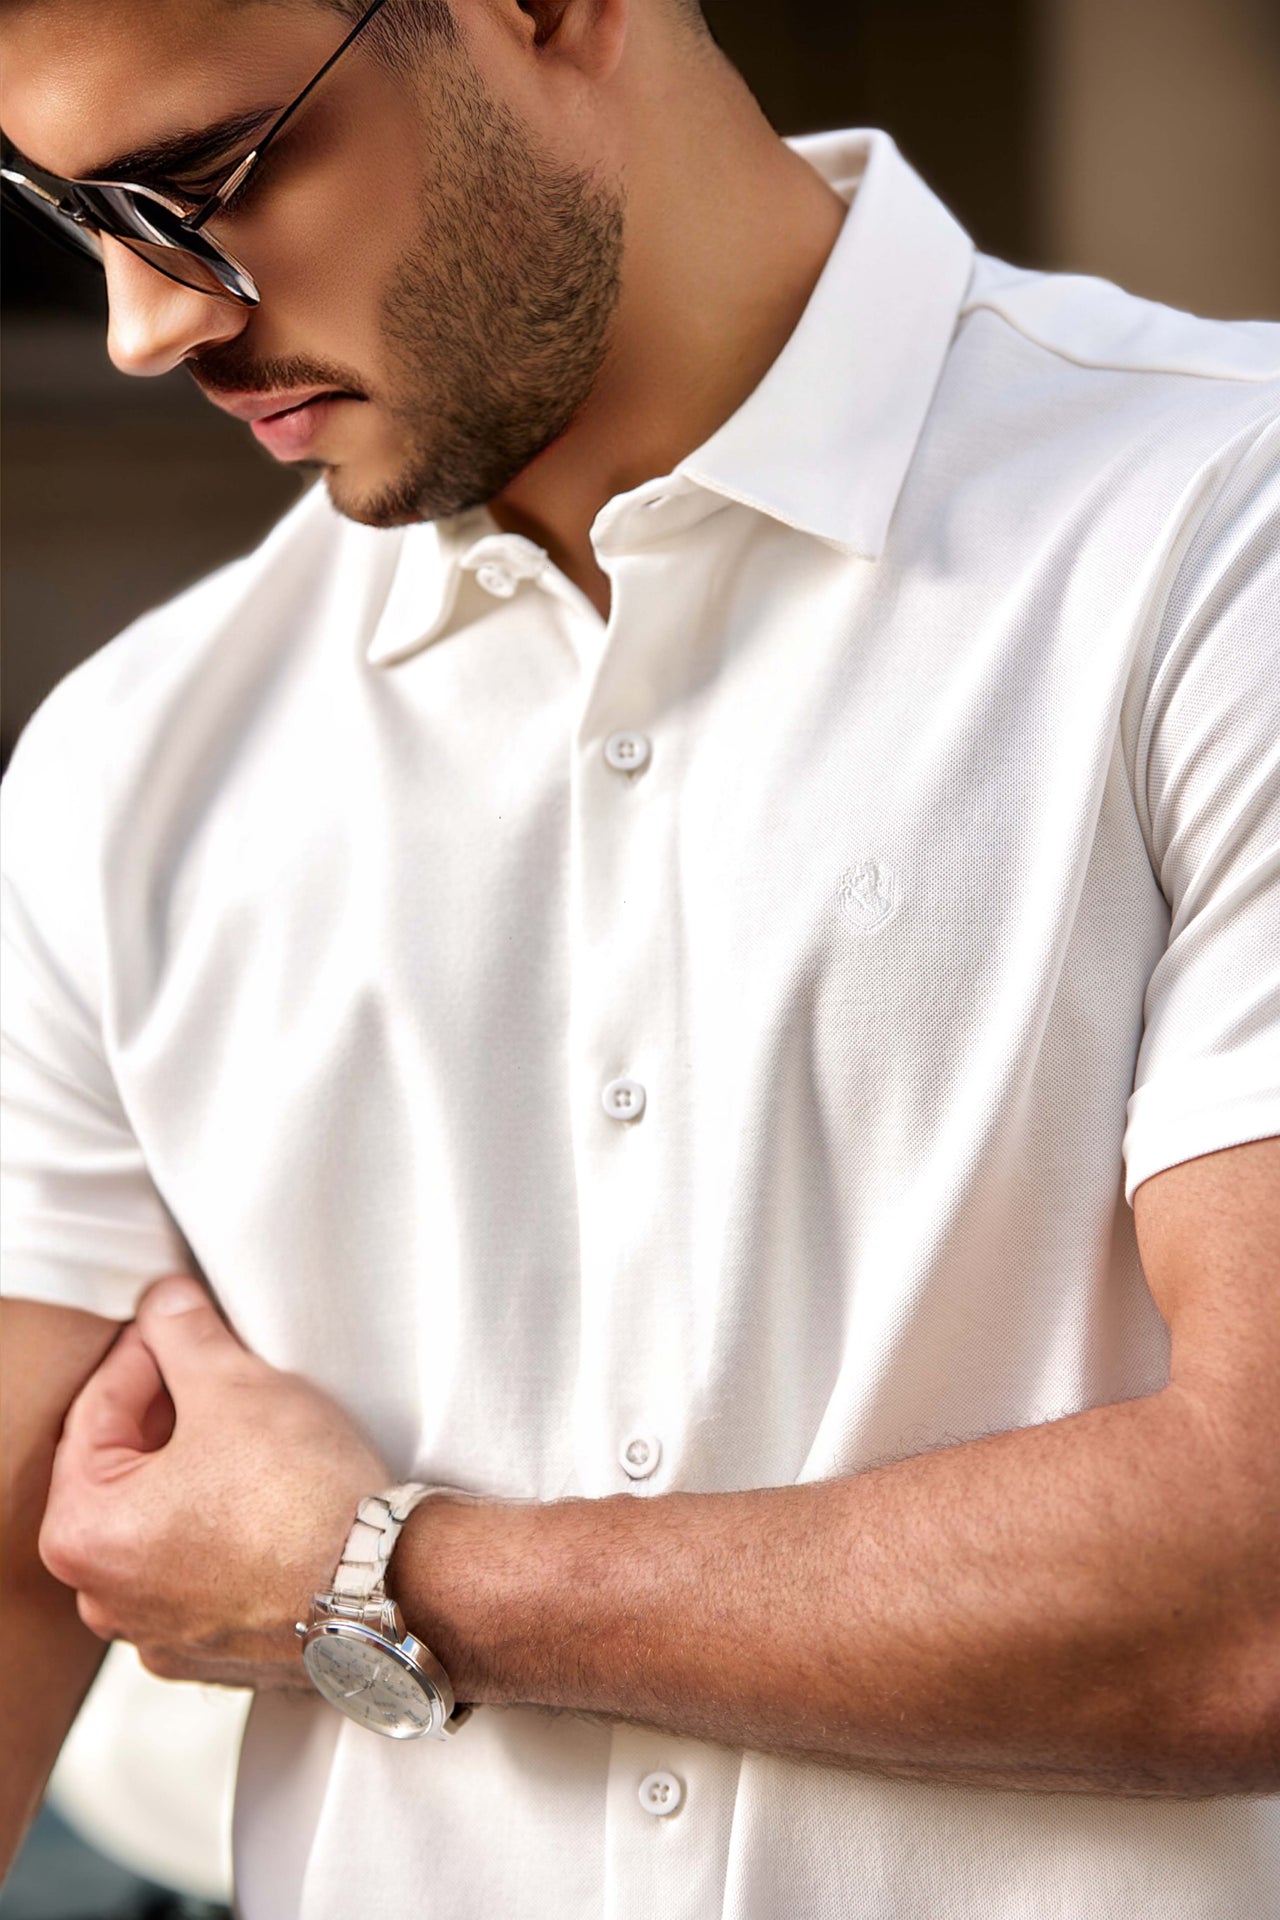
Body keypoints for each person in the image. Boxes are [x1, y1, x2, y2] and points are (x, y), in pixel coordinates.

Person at [1, 0, 1277, 1914]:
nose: (145, 322)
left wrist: (379, 1578)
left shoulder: (1223, 536)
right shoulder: (125, 768)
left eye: (203, 183)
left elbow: (1256, 1595)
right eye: (77, 217)